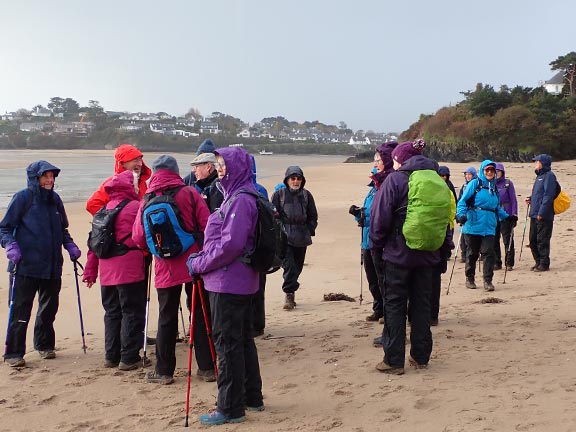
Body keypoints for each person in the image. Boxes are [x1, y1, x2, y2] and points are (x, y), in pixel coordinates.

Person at [187, 147, 264, 426]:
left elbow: (230, 245)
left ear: (236, 167)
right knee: (241, 339)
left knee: (228, 343)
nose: (219, 168)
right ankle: (251, 397)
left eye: (223, 164)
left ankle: (230, 407)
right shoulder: (238, 195)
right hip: (236, 279)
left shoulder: (240, 200)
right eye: (217, 164)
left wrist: (200, 263)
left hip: (229, 280)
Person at [369, 140, 451, 374]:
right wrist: (443, 251)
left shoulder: (395, 180)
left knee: (394, 306)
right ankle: (421, 357)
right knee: (421, 306)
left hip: (398, 255)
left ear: (401, 159)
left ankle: (394, 361)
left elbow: (379, 218)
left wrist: (377, 247)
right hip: (429, 255)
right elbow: (444, 220)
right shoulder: (437, 180)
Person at [132, 155, 210, 385]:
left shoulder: (146, 199)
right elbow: (207, 225)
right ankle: (207, 367)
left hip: (164, 266)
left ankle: (164, 371)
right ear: (175, 171)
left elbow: (138, 238)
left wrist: (156, 250)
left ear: (155, 173)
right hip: (194, 262)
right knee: (200, 313)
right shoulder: (190, 193)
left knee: (166, 317)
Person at [0, 160, 81, 367]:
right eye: (45, 176)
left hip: (52, 266)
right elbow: (5, 228)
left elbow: (62, 230)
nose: (50, 180)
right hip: (25, 266)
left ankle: (44, 346)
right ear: (35, 178)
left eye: (52, 177)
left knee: (48, 309)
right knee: (20, 310)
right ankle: (14, 353)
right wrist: (11, 247)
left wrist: (70, 245)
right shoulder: (23, 198)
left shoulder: (55, 200)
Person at [82, 170, 148, 370]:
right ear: (130, 186)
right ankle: (129, 357)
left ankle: (111, 356)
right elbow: (142, 236)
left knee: (112, 312)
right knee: (132, 311)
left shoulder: (103, 210)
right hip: (130, 269)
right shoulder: (137, 207)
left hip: (107, 271)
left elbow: (94, 245)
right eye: (135, 183)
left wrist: (90, 271)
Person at [351, 141, 398, 324]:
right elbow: (368, 212)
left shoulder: (387, 185)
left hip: (380, 242)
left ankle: (388, 312)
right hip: (367, 239)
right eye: (375, 160)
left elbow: (383, 216)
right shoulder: (373, 188)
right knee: (372, 279)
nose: (375, 163)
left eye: (378, 159)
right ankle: (378, 308)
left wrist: (366, 218)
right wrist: (358, 215)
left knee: (383, 279)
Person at [456, 160, 515, 292]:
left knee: (489, 253)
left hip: (489, 226)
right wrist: (461, 215)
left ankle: (488, 281)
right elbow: (462, 201)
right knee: (472, 253)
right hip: (472, 225)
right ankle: (470, 278)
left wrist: (507, 217)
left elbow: (496, 207)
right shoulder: (474, 184)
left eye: (492, 170)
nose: (489, 172)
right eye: (487, 170)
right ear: (482, 171)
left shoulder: (494, 187)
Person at [271, 166, 318, 310]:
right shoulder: (279, 195)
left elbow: (313, 215)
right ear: (287, 180)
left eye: (298, 179)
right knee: (289, 266)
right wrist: (280, 232)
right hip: (285, 237)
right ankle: (289, 294)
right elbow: (272, 215)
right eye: (293, 178)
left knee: (297, 267)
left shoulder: (306, 195)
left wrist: (310, 229)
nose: (295, 181)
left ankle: (292, 288)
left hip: (302, 236)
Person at [86, 143, 152, 215]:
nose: (140, 164)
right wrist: (112, 220)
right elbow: (92, 204)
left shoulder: (142, 183)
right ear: (122, 163)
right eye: (135, 160)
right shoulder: (113, 184)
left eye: (140, 160)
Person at [526, 154, 556, 272]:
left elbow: (548, 196)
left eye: (537, 161)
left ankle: (544, 263)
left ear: (543, 163)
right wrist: (530, 199)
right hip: (534, 213)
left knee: (542, 240)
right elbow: (538, 194)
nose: (535, 163)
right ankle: (538, 261)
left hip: (544, 215)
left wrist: (542, 212)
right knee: (532, 240)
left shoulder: (549, 176)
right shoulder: (539, 176)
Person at [250, 155, 269, 337]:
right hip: (262, 244)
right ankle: (258, 324)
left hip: (252, 244)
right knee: (258, 287)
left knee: (250, 288)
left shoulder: (246, 191)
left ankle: (254, 324)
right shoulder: (261, 189)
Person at [494, 163, 518, 271]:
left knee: (507, 240)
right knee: (494, 240)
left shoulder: (508, 183)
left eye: (499, 172)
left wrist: (514, 215)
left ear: (502, 172)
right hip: (494, 215)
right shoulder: (491, 184)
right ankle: (496, 262)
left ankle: (509, 263)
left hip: (506, 214)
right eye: (495, 171)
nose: (497, 174)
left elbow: (513, 200)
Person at [457, 167, 478, 262]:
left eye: (470, 174)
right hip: (464, 213)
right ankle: (464, 255)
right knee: (463, 236)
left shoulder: (477, 185)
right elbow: (460, 200)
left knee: (472, 236)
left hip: (474, 213)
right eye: (466, 174)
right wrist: (459, 214)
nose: (468, 176)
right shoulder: (464, 186)